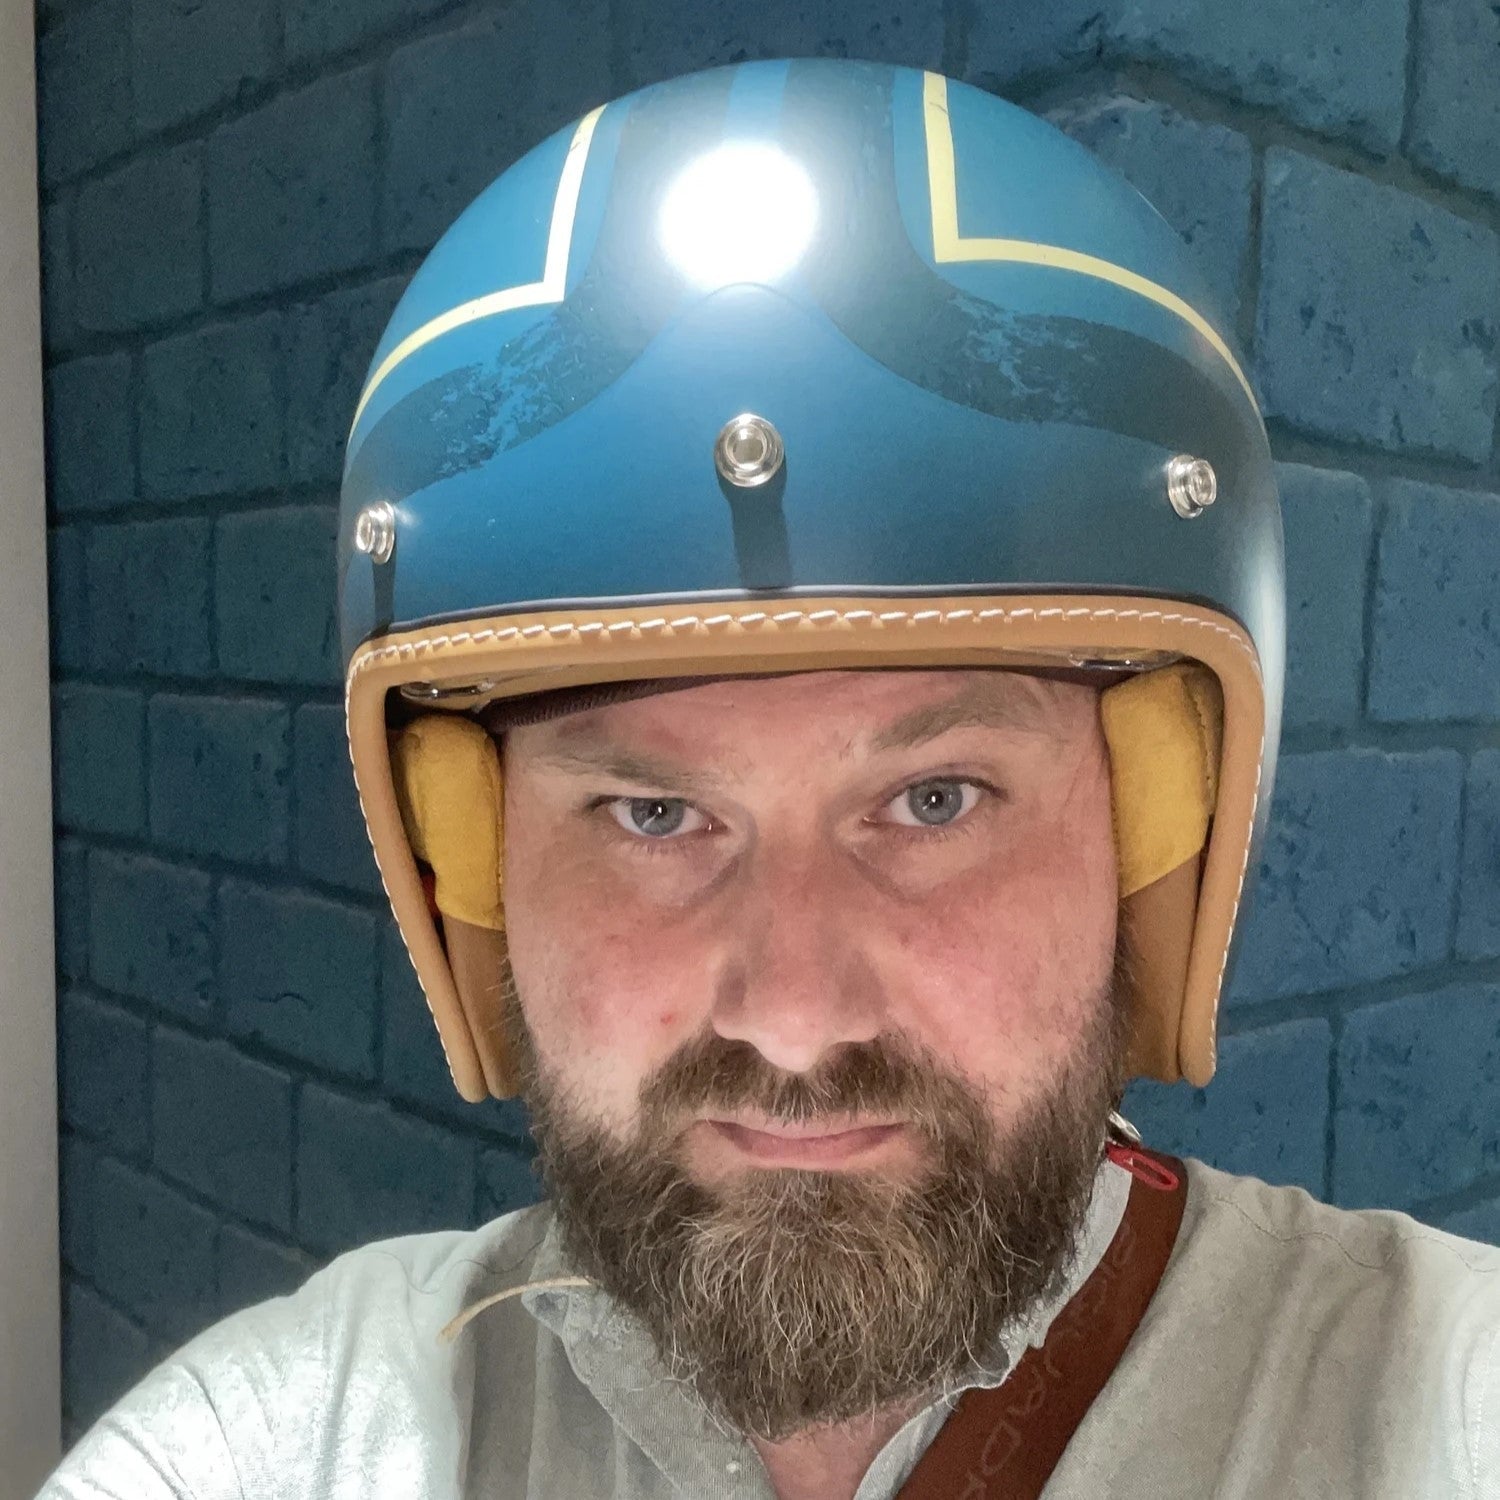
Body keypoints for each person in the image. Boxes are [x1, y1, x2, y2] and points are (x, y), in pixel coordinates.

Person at [40, 58, 1498, 1500]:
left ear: (1149, 843)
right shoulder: (294, 1439)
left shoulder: (1441, 1401)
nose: (795, 1022)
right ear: (470, 871)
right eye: (652, 813)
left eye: (936, 799)